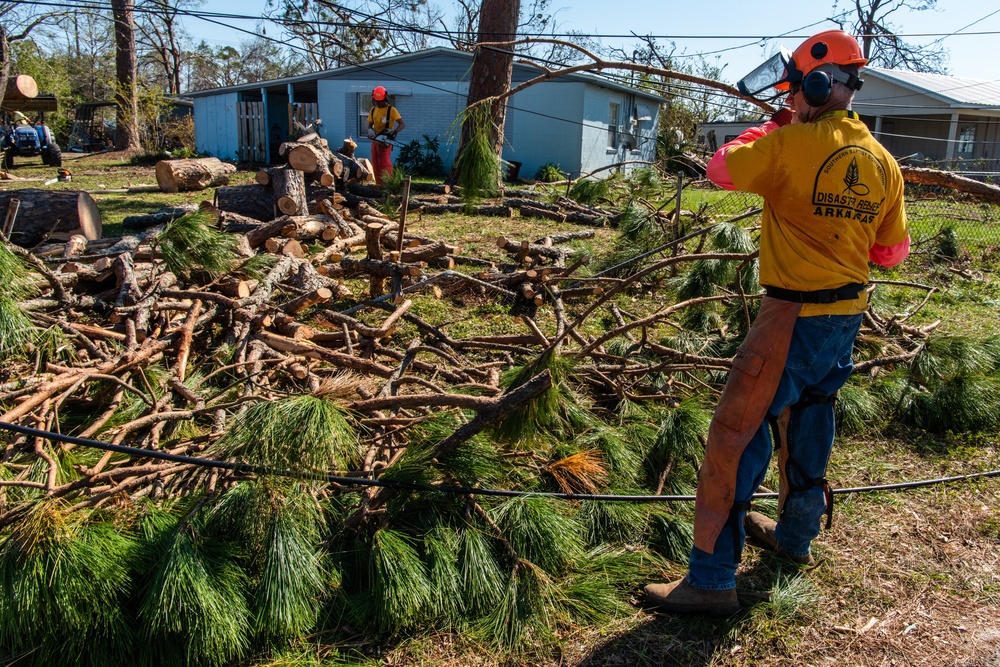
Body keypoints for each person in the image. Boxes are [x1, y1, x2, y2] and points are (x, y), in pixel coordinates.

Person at [644, 29, 910, 616]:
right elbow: (892, 254)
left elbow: (720, 169)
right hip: (848, 314)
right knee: (811, 416)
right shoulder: (883, 161)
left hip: (791, 313)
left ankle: (711, 581)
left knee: (736, 433)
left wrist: (771, 128)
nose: (789, 100)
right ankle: (795, 538)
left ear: (817, 83)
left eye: (796, 90)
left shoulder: (788, 142)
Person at [366, 85, 405, 185]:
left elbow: (402, 124)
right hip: (376, 140)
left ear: (385, 98)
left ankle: (388, 184)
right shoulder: (373, 110)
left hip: (385, 140)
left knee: (384, 163)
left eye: (381, 101)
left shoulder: (391, 110)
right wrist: (370, 130)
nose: (379, 103)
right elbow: (370, 124)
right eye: (377, 101)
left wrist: (394, 131)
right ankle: (378, 184)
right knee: (375, 162)